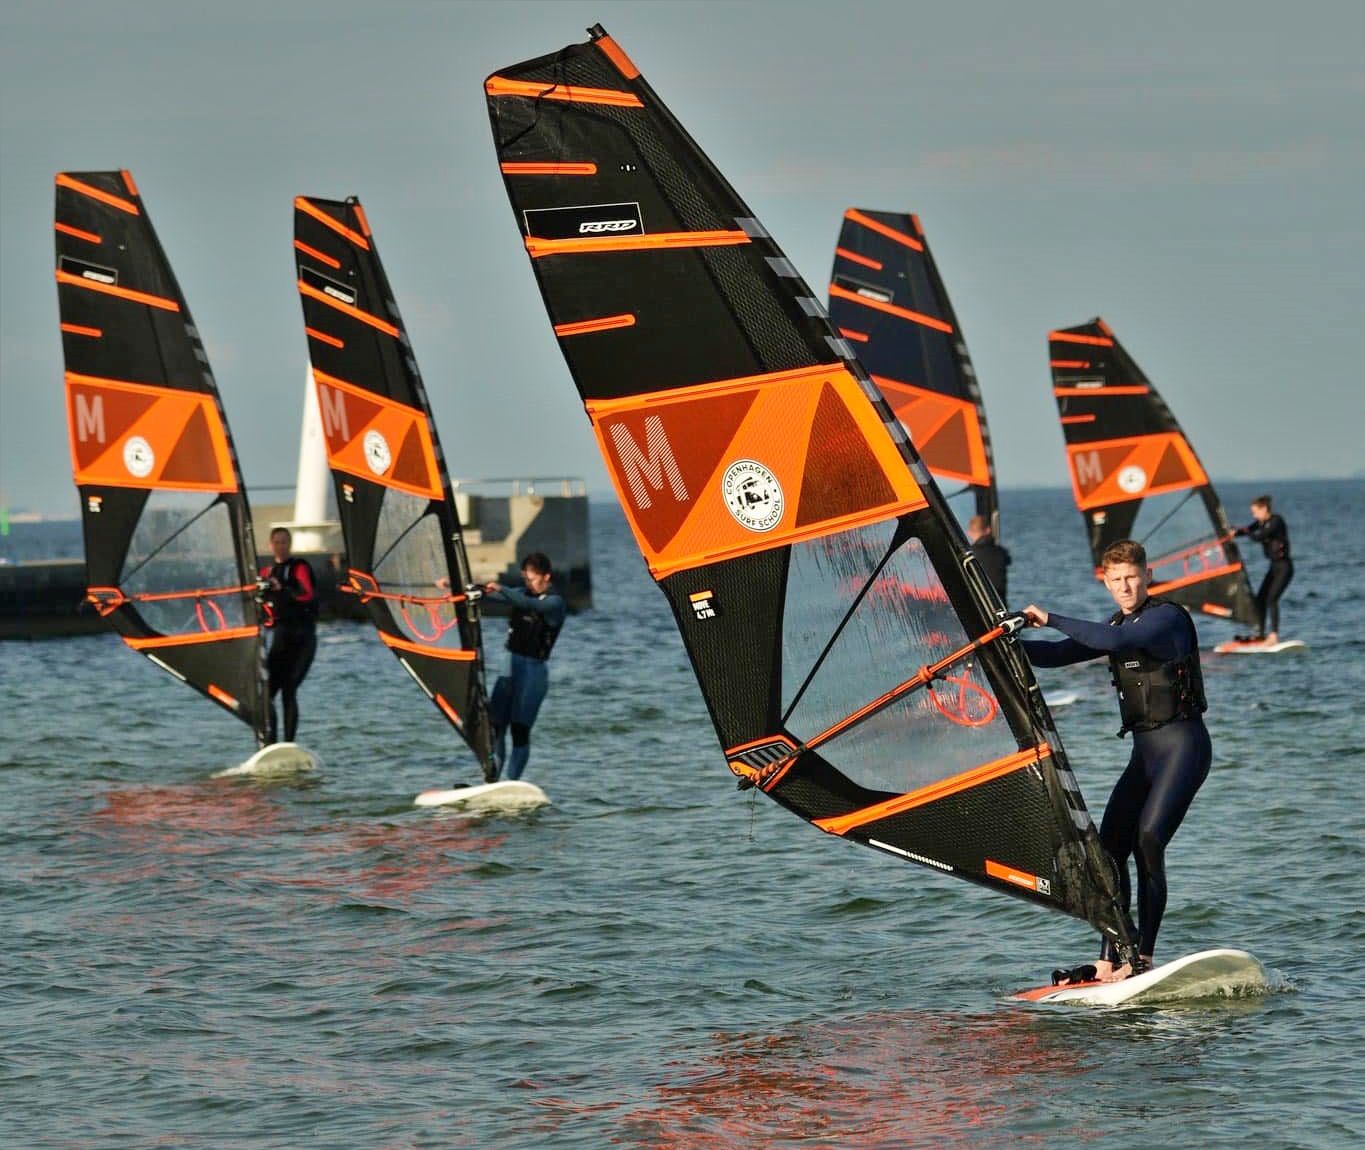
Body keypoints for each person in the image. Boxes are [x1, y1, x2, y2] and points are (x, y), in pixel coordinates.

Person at [1021, 538, 1210, 982]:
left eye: (1132, 577)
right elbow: (1056, 655)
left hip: (1184, 749)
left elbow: (1119, 639)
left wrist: (1049, 617)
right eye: (1116, 580)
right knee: (1109, 852)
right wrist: (1002, 640)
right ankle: (1111, 958)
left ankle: (1143, 956)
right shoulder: (1113, 622)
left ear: (1146, 575)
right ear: (1106, 582)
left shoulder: (1166, 620)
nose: (1125, 587)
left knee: (1148, 841)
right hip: (1144, 754)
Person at [483, 552, 566, 781]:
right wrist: (456, 587)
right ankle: (492, 780)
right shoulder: (521, 593)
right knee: (495, 728)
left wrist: (502, 589)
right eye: (525, 580)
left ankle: (512, 782)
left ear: (546, 576)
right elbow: (490, 597)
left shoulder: (554, 603)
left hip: (533, 672)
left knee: (519, 731)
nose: (528, 584)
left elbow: (526, 603)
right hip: (509, 665)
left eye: (532, 579)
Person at [258, 526, 318, 744]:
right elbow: (260, 606)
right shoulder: (266, 572)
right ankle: (269, 744)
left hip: (303, 639)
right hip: (281, 638)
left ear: (289, 544)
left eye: (284, 542)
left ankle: (289, 743)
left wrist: (282, 587)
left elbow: (307, 595)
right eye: (277, 542)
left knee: (289, 689)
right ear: (270, 545)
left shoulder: (299, 567)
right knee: (265, 697)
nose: (280, 546)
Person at [1233, 495, 1292, 643]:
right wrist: (1233, 533)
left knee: (1272, 599)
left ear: (1264, 509)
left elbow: (1258, 536)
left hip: (1284, 568)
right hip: (1274, 568)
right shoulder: (1261, 522)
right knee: (1260, 599)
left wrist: (1245, 533)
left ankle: (1274, 635)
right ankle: (1260, 634)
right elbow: (1248, 529)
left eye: (1255, 512)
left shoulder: (1276, 521)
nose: (1253, 515)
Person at [966, 514, 1010, 600]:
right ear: (988, 530)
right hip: (1000, 603)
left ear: (969, 533)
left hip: (980, 605)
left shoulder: (970, 555)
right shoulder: (1001, 553)